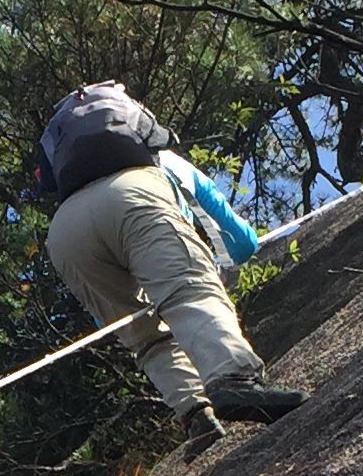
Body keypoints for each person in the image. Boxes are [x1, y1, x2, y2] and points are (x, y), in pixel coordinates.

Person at [35, 82, 304, 456]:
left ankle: (196, 414)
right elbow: (241, 244)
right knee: (189, 290)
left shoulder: (68, 180)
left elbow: (109, 320)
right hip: (134, 195)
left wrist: (123, 315)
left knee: (145, 338)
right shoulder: (168, 162)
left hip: (64, 233)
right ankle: (234, 377)